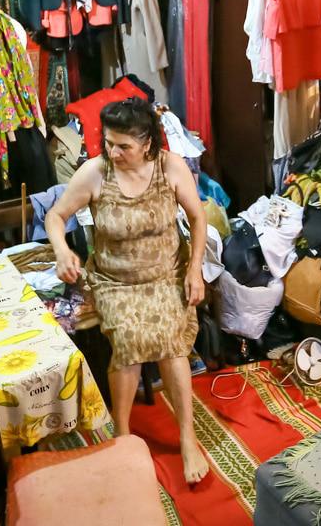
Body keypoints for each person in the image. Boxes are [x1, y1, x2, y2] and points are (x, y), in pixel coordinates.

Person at [45, 97, 210, 483]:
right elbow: (56, 215)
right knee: (129, 340)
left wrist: (195, 271)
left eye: (123, 146)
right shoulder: (94, 172)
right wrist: (62, 251)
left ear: (147, 143)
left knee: (172, 342)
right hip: (115, 282)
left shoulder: (171, 167)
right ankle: (122, 434)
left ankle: (187, 437)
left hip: (167, 274)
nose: (113, 152)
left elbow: (198, 217)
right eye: (108, 143)